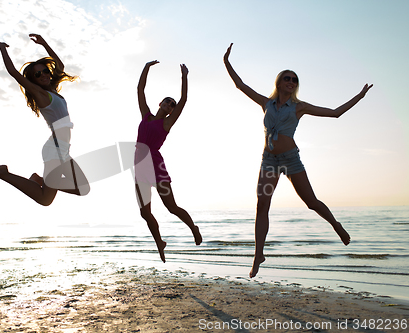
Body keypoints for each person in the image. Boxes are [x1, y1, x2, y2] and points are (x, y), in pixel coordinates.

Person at [223, 43, 373, 278]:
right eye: (287, 78)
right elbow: (240, 85)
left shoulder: (299, 107)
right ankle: (258, 254)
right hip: (269, 161)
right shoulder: (266, 103)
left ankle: (336, 225)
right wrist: (227, 62)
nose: (291, 82)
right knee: (262, 206)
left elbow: (335, 113)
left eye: (294, 79)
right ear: (279, 82)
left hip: (290, 160)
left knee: (311, 202)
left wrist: (360, 96)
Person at [0, 34, 90, 206]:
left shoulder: (53, 90)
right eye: (38, 74)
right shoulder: (40, 94)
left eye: (45, 71)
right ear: (33, 80)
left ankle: (38, 179)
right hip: (55, 149)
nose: (44, 75)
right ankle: (4, 173)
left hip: (62, 149)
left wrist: (44, 43)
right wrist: (2, 48)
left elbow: (60, 66)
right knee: (45, 199)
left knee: (82, 188)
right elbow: (13, 73)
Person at [134, 60, 202, 262]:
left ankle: (193, 228)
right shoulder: (146, 116)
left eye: (172, 105)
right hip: (139, 165)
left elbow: (184, 100)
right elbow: (140, 89)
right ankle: (159, 243)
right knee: (145, 212)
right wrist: (146, 67)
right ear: (160, 103)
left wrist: (184, 77)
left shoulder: (167, 122)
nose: (170, 105)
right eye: (167, 101)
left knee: (171, 207)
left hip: (156, 165)